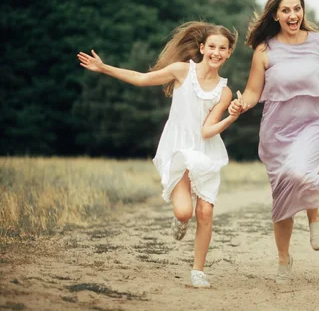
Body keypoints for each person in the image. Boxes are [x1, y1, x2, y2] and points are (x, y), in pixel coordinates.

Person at [77, 21, 240, 289]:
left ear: (229, 52)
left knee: (206, 212)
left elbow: (208, 130)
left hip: (204, 151)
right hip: (177, 148)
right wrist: (104, 68)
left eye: (223, 48)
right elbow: (142, 79)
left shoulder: (224, 91)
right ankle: (180, 219)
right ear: (202, 47)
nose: (216, 52)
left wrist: (232, 116)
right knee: (185, 211)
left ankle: (198, 270)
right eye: (212, 46)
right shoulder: (181, 71)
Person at [229, 0, 319, 284]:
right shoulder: (264, 50)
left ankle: (314, 216)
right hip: (276, 129)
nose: (293, 15)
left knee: (300, 171)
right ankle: (284, 261)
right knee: (282, 196)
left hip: (313, 121)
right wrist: (240, 104)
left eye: (297, 9)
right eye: (286, 10)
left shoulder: (317, 41)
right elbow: (252, 91)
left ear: (303, 11)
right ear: (275, 14)